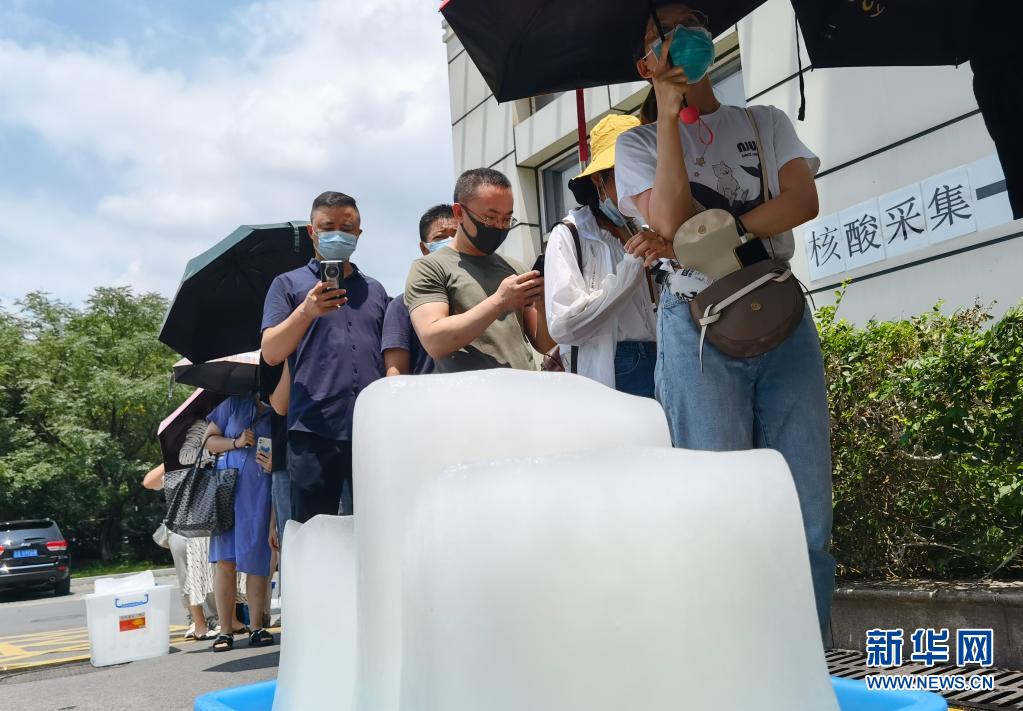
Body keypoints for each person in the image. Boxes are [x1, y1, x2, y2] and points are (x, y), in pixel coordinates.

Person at [616, 3, 835, 632]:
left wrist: (713, 236)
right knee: (715, 501)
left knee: (807, 506)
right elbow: (667, 220)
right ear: (645, 63)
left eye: (694, 21)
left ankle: (810, 657)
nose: (685, 35)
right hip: (695, 327)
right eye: (665, 31)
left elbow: (802, 200)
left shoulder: (764, 122)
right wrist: (666, 114)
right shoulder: (636, 144)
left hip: (780, 312)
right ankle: (733, 656)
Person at [261, 191, 388, 519]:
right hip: (313, 429)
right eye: (328, 227)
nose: (338, 235)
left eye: (347, 228)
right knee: (314, 532)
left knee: (376, 526)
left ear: (359, 234)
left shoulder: (375, 290)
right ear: (312, 231)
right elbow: (271, 352)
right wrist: (306, 311)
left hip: (371, 429)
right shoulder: (287, 285)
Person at [544, 114, 658, 396]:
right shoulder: (569, 234)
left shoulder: (641, 229)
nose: (636, 185)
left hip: (659, 354)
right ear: (598, 179)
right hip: (617, 363)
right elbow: (564, 324)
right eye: (625, 175)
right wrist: (632, 267)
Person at [406, 168, 556, 372]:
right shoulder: (429, 268)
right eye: (489, 218)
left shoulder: (515, 268)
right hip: (471, 391)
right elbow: (434, 341)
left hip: (525, 386)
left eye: (506, 219)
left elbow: (545, 345)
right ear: (459, 213)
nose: (499, 226)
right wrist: (499, 302)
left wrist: (542, 304)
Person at [204, 392, 275, 651]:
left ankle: (257, 626)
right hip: (227, 491)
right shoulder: (232, 403)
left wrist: (276, 463)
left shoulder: (279, 410)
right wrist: (236, 442)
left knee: (257, 560)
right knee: (225, 561)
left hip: (260, 491)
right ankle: (225, 631)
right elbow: (208, 441)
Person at [382, 205, 457, 376]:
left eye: (456, 235)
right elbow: (396, 373)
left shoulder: (480, 295)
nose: (450, 243)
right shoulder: (402, 305)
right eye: (440, 237)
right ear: (424, 249)